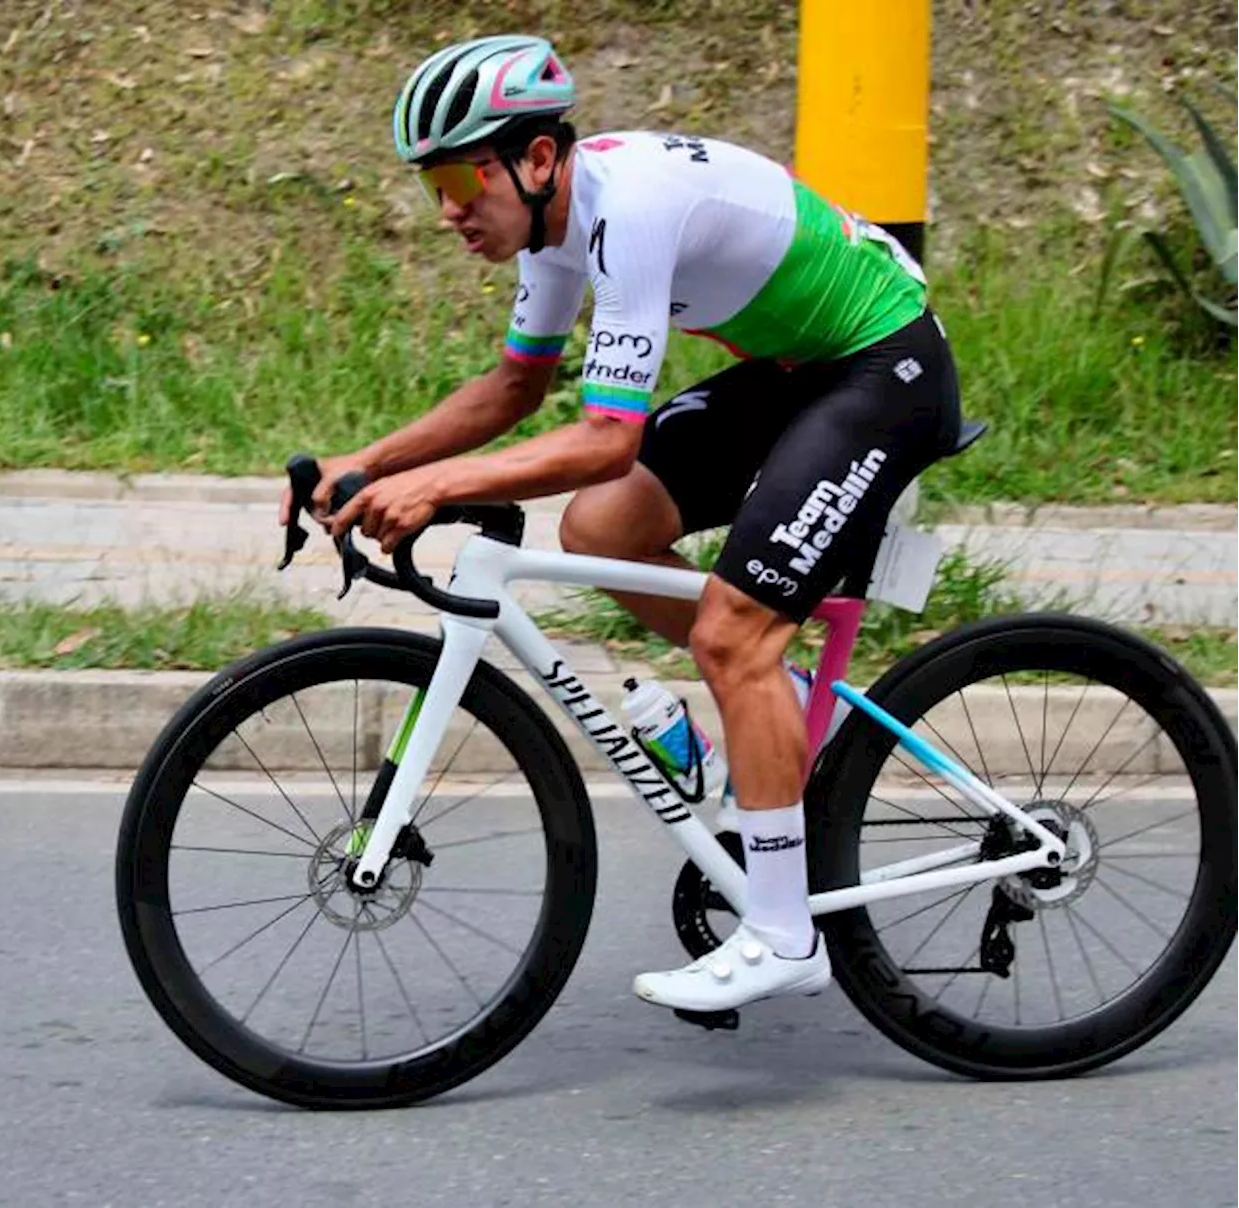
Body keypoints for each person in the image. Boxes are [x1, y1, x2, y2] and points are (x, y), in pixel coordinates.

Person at [280, 33, 962, 1013]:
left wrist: (435, 486)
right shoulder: (554, 230)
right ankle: (768, 696)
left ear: (538, 157)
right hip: (797, 374)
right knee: (600, 530)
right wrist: (371, 462)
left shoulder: (629, 206)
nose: (447, 209)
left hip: (880, 367)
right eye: (431, 184)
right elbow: (519, 384)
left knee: (731, 632)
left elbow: (606, 434)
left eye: (463, 176)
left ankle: (780, 932)